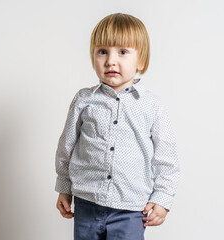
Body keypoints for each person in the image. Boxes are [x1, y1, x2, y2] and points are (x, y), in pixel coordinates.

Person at [54, 13, 180, 240]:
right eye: (102, 51)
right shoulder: (84, 100)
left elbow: (166, 157)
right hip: (86, 203)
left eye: (122, 52)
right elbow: (67, 145)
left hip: (131, 210)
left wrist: (163, 198)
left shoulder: (151, 106)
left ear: (140, 60)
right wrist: (64, 187)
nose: (111, 60)